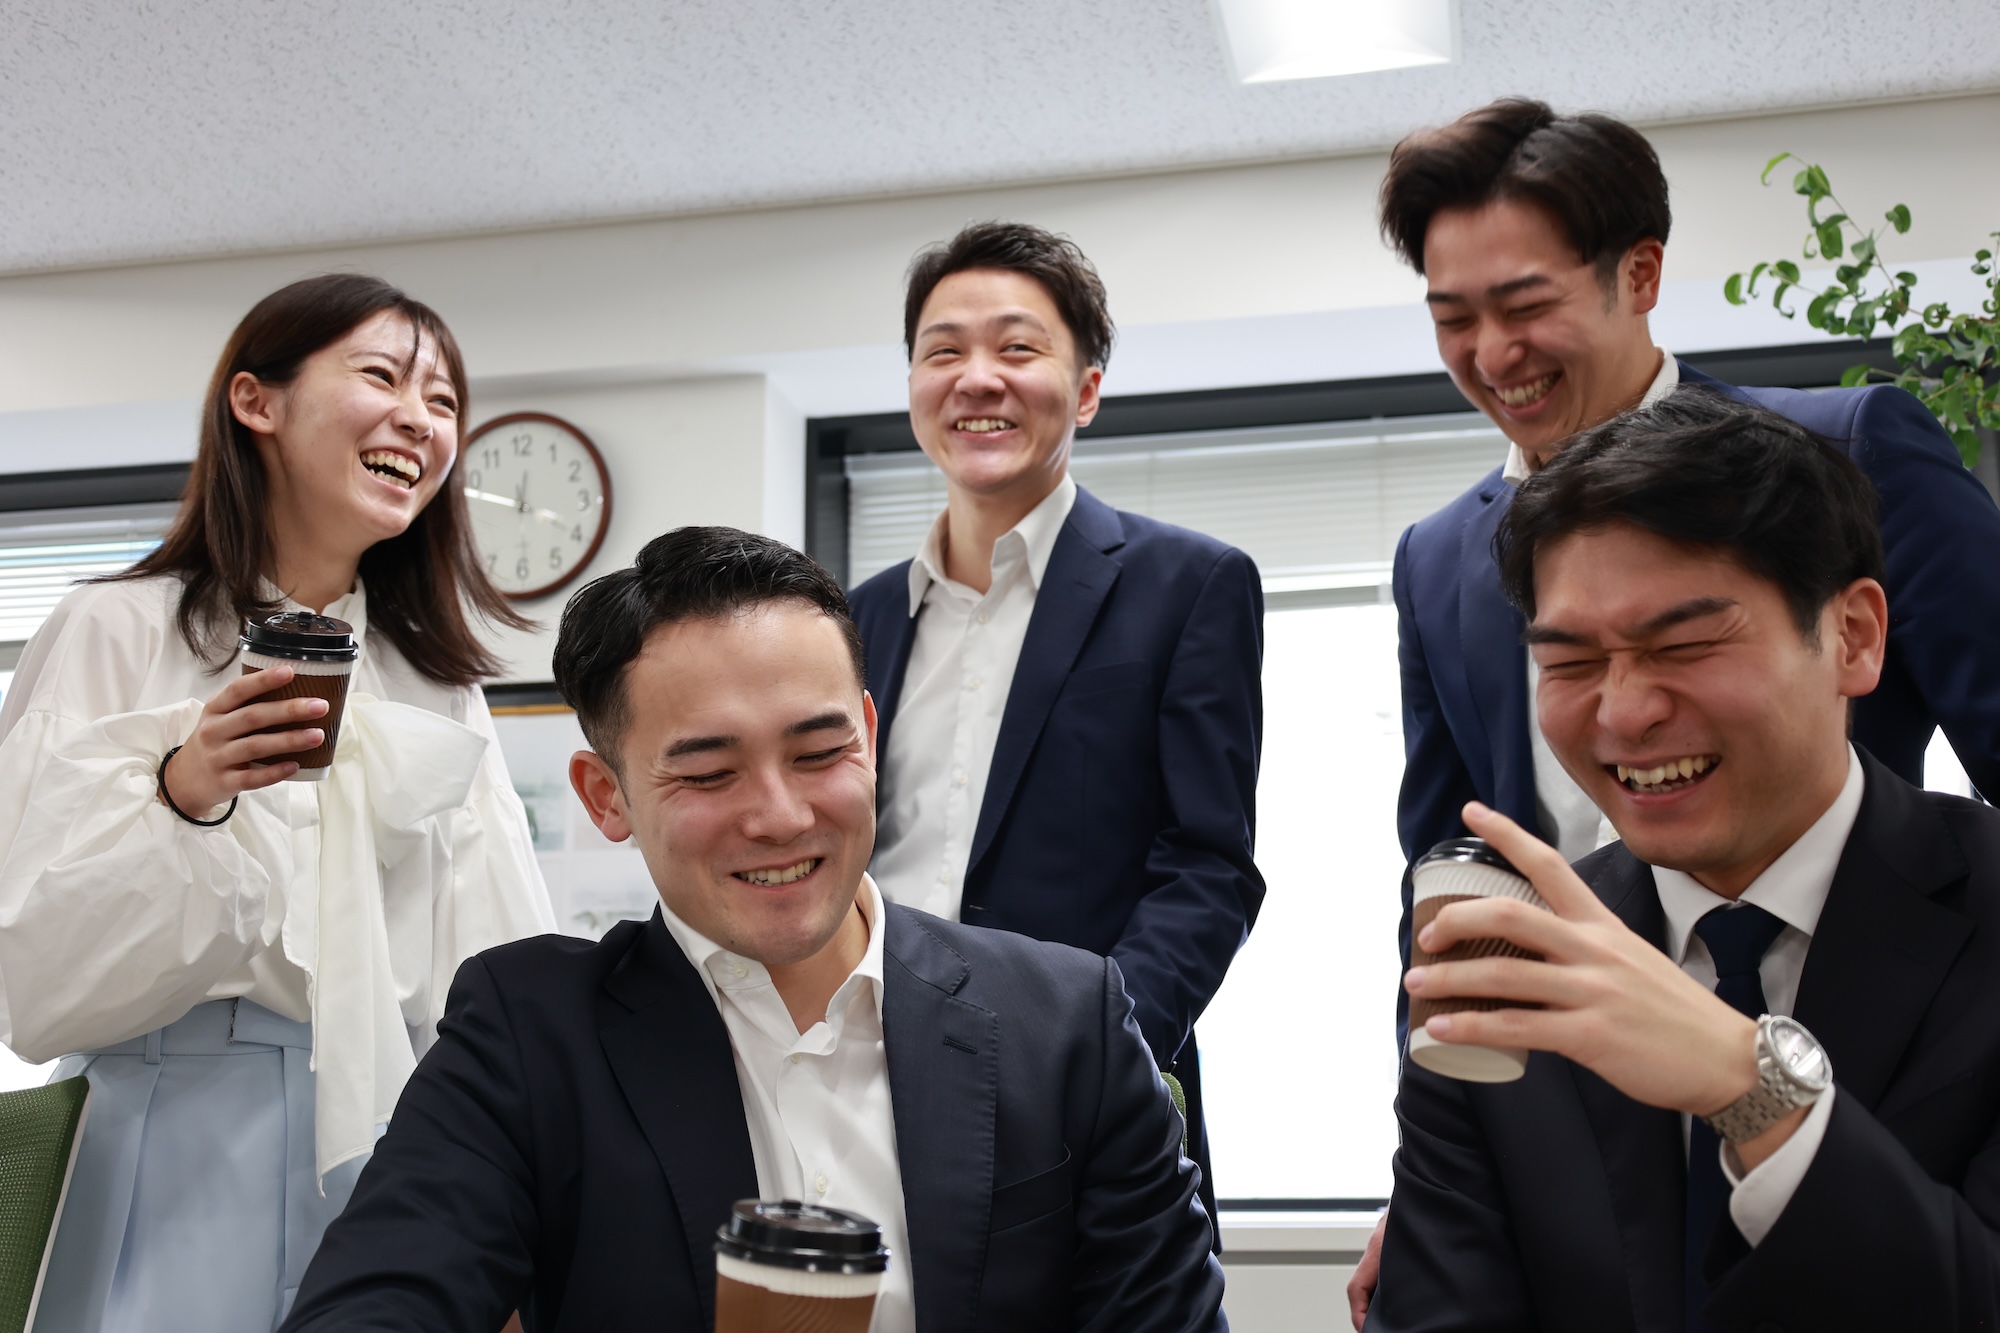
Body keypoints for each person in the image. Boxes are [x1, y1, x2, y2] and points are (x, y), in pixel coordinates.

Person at [1350, 97, 2000, 1322]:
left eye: (1523, 304)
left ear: (1638, 274)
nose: (1492, 354)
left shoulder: (1846, 447)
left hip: (1880, 1045)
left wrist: (1754, 1082)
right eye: (1453, 318)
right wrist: (1455, 1163)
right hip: (1564, 1091)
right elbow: (1450, 855)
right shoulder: (1436, 555)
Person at [278, 526, 1227, 1333]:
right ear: (606, 796)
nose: (780, 816)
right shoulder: (528, 1035)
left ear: (869, 736)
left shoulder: (1066, 1023)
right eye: (708, 773)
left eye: (819, 752)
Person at [0, 273, 555, 1332]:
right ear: (256, 400)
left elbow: (492, 960)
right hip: (161, 1133)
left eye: (443, 401)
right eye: (382, 376)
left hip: (396, 1143)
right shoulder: (112, 628)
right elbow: (33, 980)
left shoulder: (438, 683)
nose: (420, 419)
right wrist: (183, 794)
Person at [846, 222, 1265, 1222]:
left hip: (1085, 1098)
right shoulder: (853, 618)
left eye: (1017, 347)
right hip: (868, 1083)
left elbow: (1208, 867)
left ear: (1085, 390)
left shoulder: (1187, 584)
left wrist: (1100, 1052)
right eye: (943, 351)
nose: (976, 377)